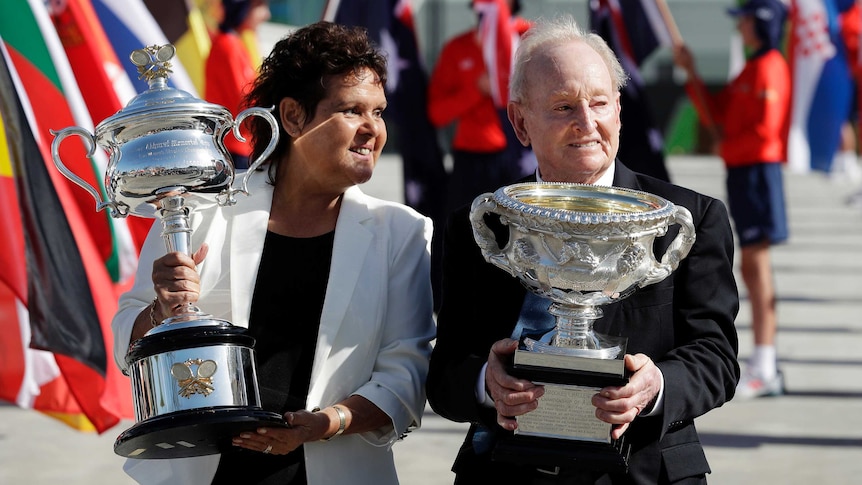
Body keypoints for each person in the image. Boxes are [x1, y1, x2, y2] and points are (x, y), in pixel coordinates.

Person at [112, 21, 436, 485]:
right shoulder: (201, 209)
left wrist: (328, 423)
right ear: (293, 116)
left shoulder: (401, 232)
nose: (372, 130)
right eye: (351, 110)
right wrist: (161, 311)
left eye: (379, 112)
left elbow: (406, 372)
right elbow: (128, 343)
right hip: (206, 474)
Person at [426, 15, 740, 484]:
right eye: (563, 107)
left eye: (598, 103)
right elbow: (446, 373)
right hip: (503, 471)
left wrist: (655, 387)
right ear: (520, 121)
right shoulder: (480, 225)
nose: (586, 124)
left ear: (618, 109)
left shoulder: (685, 220)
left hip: (643, 472)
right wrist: (485, 384)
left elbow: (716, 356)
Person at [673, 0, 789, 399]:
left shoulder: (771, 66)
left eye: (744, 20)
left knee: (756, 265)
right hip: (743, 170)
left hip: (757, 172)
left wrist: (728, 145)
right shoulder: (752, 68)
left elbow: (765, 133)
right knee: (752, 265)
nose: (739, 27)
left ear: (760, 24)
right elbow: (716, 114)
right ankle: (765, 361)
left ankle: (767, 364)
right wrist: (691, 73)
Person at [427, 0, 532, 214]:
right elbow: (437, 113)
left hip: (521, 151)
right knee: (463, 230)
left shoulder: (530, 39)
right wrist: (477, 90)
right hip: (470, 158)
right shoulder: (458, 47)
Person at [204, 0, 271, 169]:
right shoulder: (228, 46)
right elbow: (245, 103)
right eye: (259, 6)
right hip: (234, 147)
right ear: (242, 8)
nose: (266, 15)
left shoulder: (233, 43)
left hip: (240, 145)